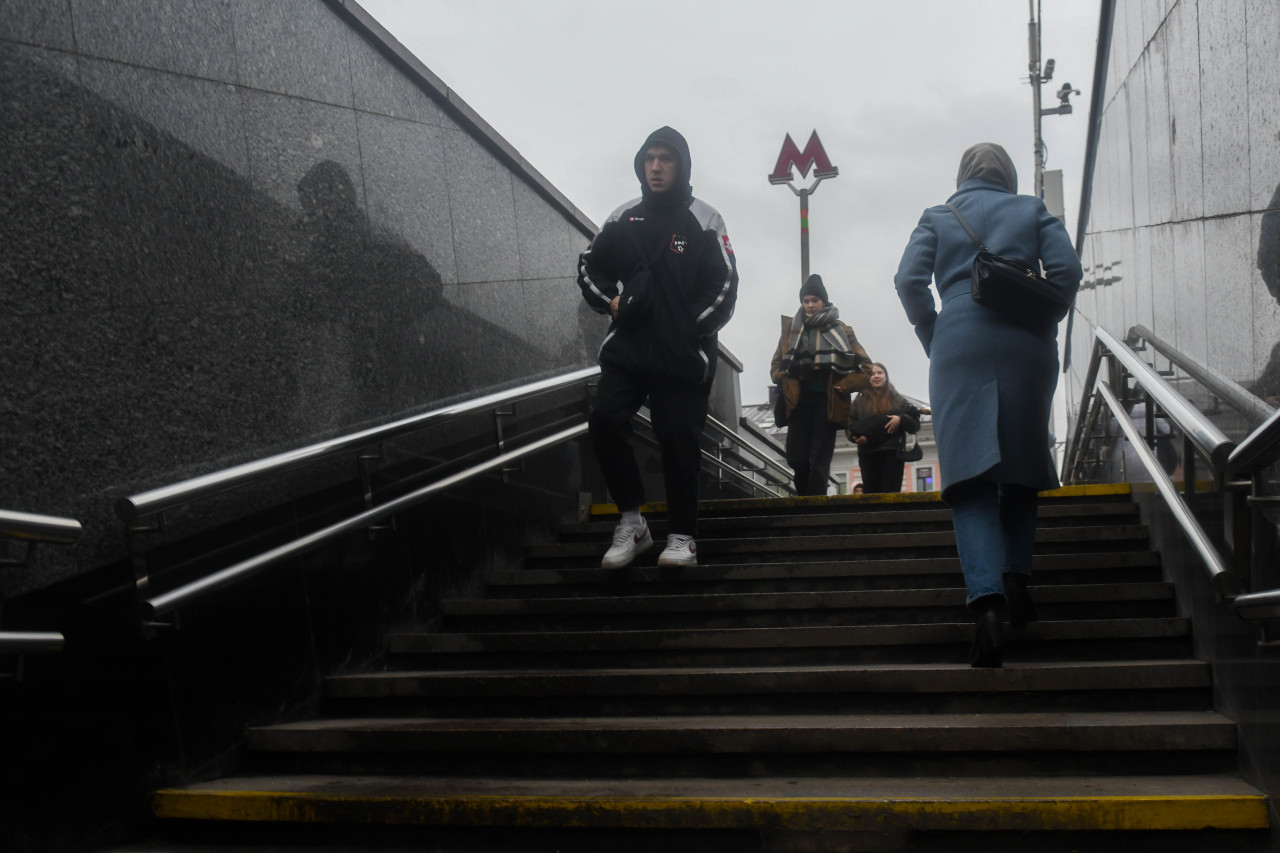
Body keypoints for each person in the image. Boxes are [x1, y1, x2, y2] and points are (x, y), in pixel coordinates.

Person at [894, 142, 1083, 667]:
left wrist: (935, 329)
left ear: (963, 174)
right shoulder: (1032, 210)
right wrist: (1038, 320)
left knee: (973, 480)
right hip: (1028, 343)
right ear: (1009, 174)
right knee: (1021, 468)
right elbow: (1066, 273)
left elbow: (908, 280)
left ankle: (988, 608)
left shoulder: (938, 215)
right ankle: (1018, 581)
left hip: (960, 342)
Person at [577, 126, 739, 569]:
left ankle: (683, 535)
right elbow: (589, 265)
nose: (655, 166)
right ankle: (633, 521)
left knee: (678, 439)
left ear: (681, 165)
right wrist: (610, 300)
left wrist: (689, 331)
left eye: (665, 158)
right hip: (628, 348)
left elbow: (724, 286)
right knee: (605, 421)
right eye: (649, 158)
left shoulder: (705, 219)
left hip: (683, 355)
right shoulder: (624, 217)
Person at [770, 274, 871, 496]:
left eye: (814, 300)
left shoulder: (841, 330)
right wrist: (782, 376)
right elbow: (777, 362)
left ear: (823, 301)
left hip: (827, 400)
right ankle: (805, 499)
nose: (810, 305)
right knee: (796, 456)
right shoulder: (792, 328)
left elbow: (866, 367)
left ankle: (815, 505)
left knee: (819, 457)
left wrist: (845, 384)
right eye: (806, 300)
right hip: (797, 398)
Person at [847, 363, 920, 493]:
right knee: (871, 495)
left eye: (879, 373)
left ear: (886, 377)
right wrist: (856, 438)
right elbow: (849, 425)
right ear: (868, 378)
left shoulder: (898, 399)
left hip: (892, 453)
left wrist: (901, 419)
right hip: (868, 453)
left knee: (891, 494)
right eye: (872, 374)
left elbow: (914, 425)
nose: (876, 376)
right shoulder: (859, 401)